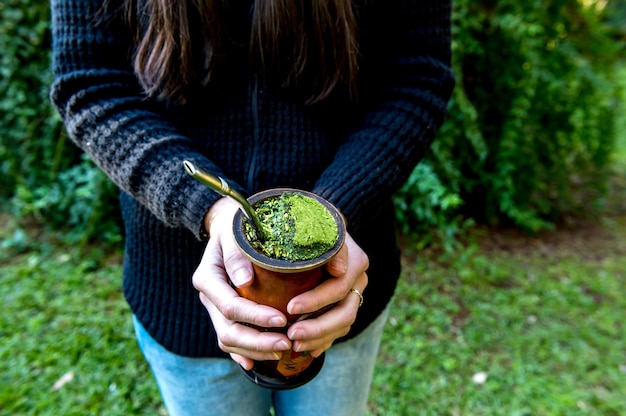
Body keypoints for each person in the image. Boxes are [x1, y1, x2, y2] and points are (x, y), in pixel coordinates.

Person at [50, 0, 454, 414]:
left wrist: (333, 213)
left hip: (340, 289)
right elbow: (91, 85)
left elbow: (417, 75)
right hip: (181, 291)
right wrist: (208, 205)